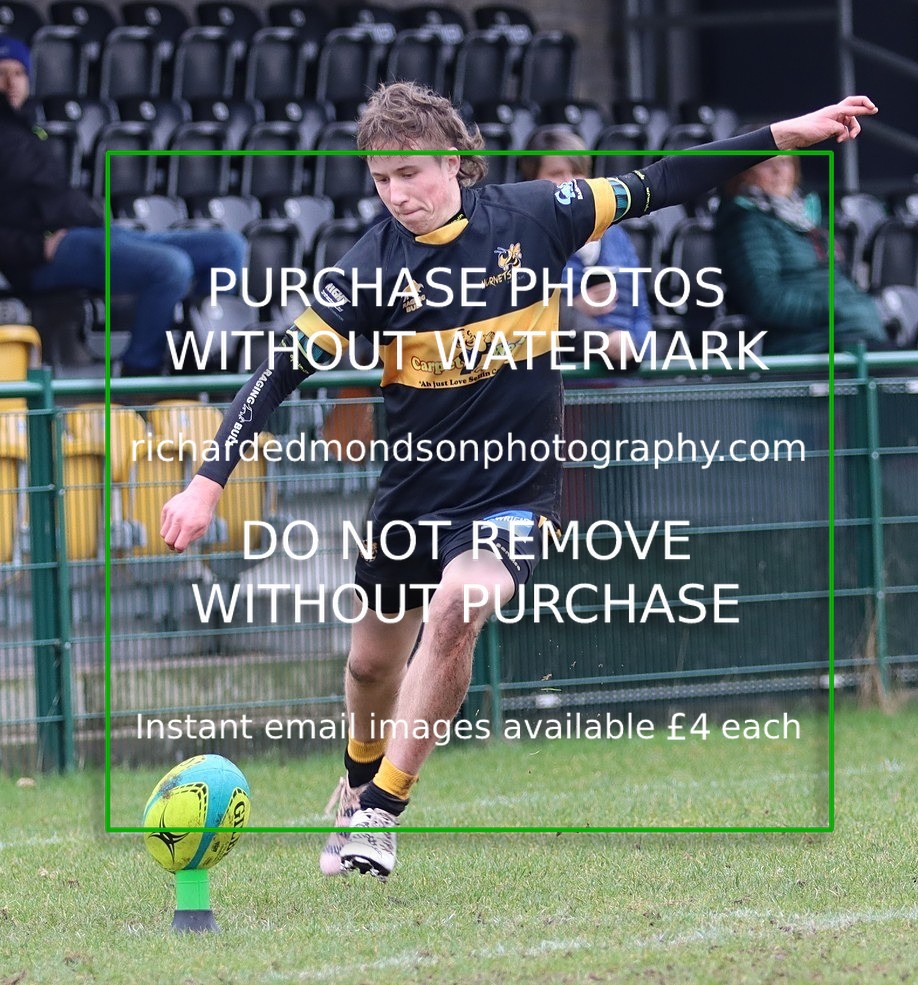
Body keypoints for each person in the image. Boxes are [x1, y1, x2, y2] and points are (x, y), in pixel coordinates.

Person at [160, 82, 877, 880]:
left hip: (512, 492)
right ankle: (360, 779)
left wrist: (783, 132)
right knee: (369, 667)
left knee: (461, 604)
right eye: (381, 180)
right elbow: (278, 369)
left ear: (458, 165)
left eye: (412, 175)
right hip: (413, 497)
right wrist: (206, 481)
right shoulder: (370, 267)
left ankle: (380, 813)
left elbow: (666, 178)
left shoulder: (540, 213)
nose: (397, 195)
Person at [0, 35, 246, 377]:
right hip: (48, 256)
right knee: (170, 268)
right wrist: (37, 248)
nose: (11, 83)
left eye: (18, 73)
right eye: (2, 73)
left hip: (92, 234)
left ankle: (200, 360)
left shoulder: (30, 131)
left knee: (226, 248)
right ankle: (139, 375)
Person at [714, 151, 888, 354]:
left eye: (785, 162)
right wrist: (836, 310)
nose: (778, 171)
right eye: (766, 165)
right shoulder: (746, 223)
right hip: (809, 344)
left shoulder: (805, 217)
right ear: (743, 173)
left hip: (853, 335)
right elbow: (765, 300)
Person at [520, 126, 652, 370]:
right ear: (531, 180)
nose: (570, 182)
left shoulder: (617, 237)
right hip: (569, 388)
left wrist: (637, 349)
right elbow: (525, 315)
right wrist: (576, 309)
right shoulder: (523, 240)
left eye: (578, 172)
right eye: (557, 173)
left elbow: (641, 313)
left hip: (625, 383)